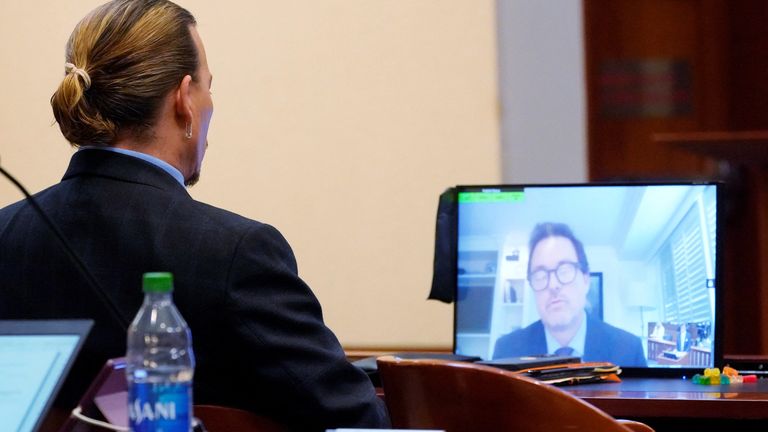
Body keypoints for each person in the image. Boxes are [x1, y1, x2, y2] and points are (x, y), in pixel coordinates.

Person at [0, 1, 389, 430]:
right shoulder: (238, 253)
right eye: (208, 86)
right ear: (184, 99)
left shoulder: (6, 235)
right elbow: (355, 420)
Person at [493, 222, 647, 367]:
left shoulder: (629, 350)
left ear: (586, 280)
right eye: (540, 275)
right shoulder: (506, 352)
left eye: (565, 270)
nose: (553, 285)